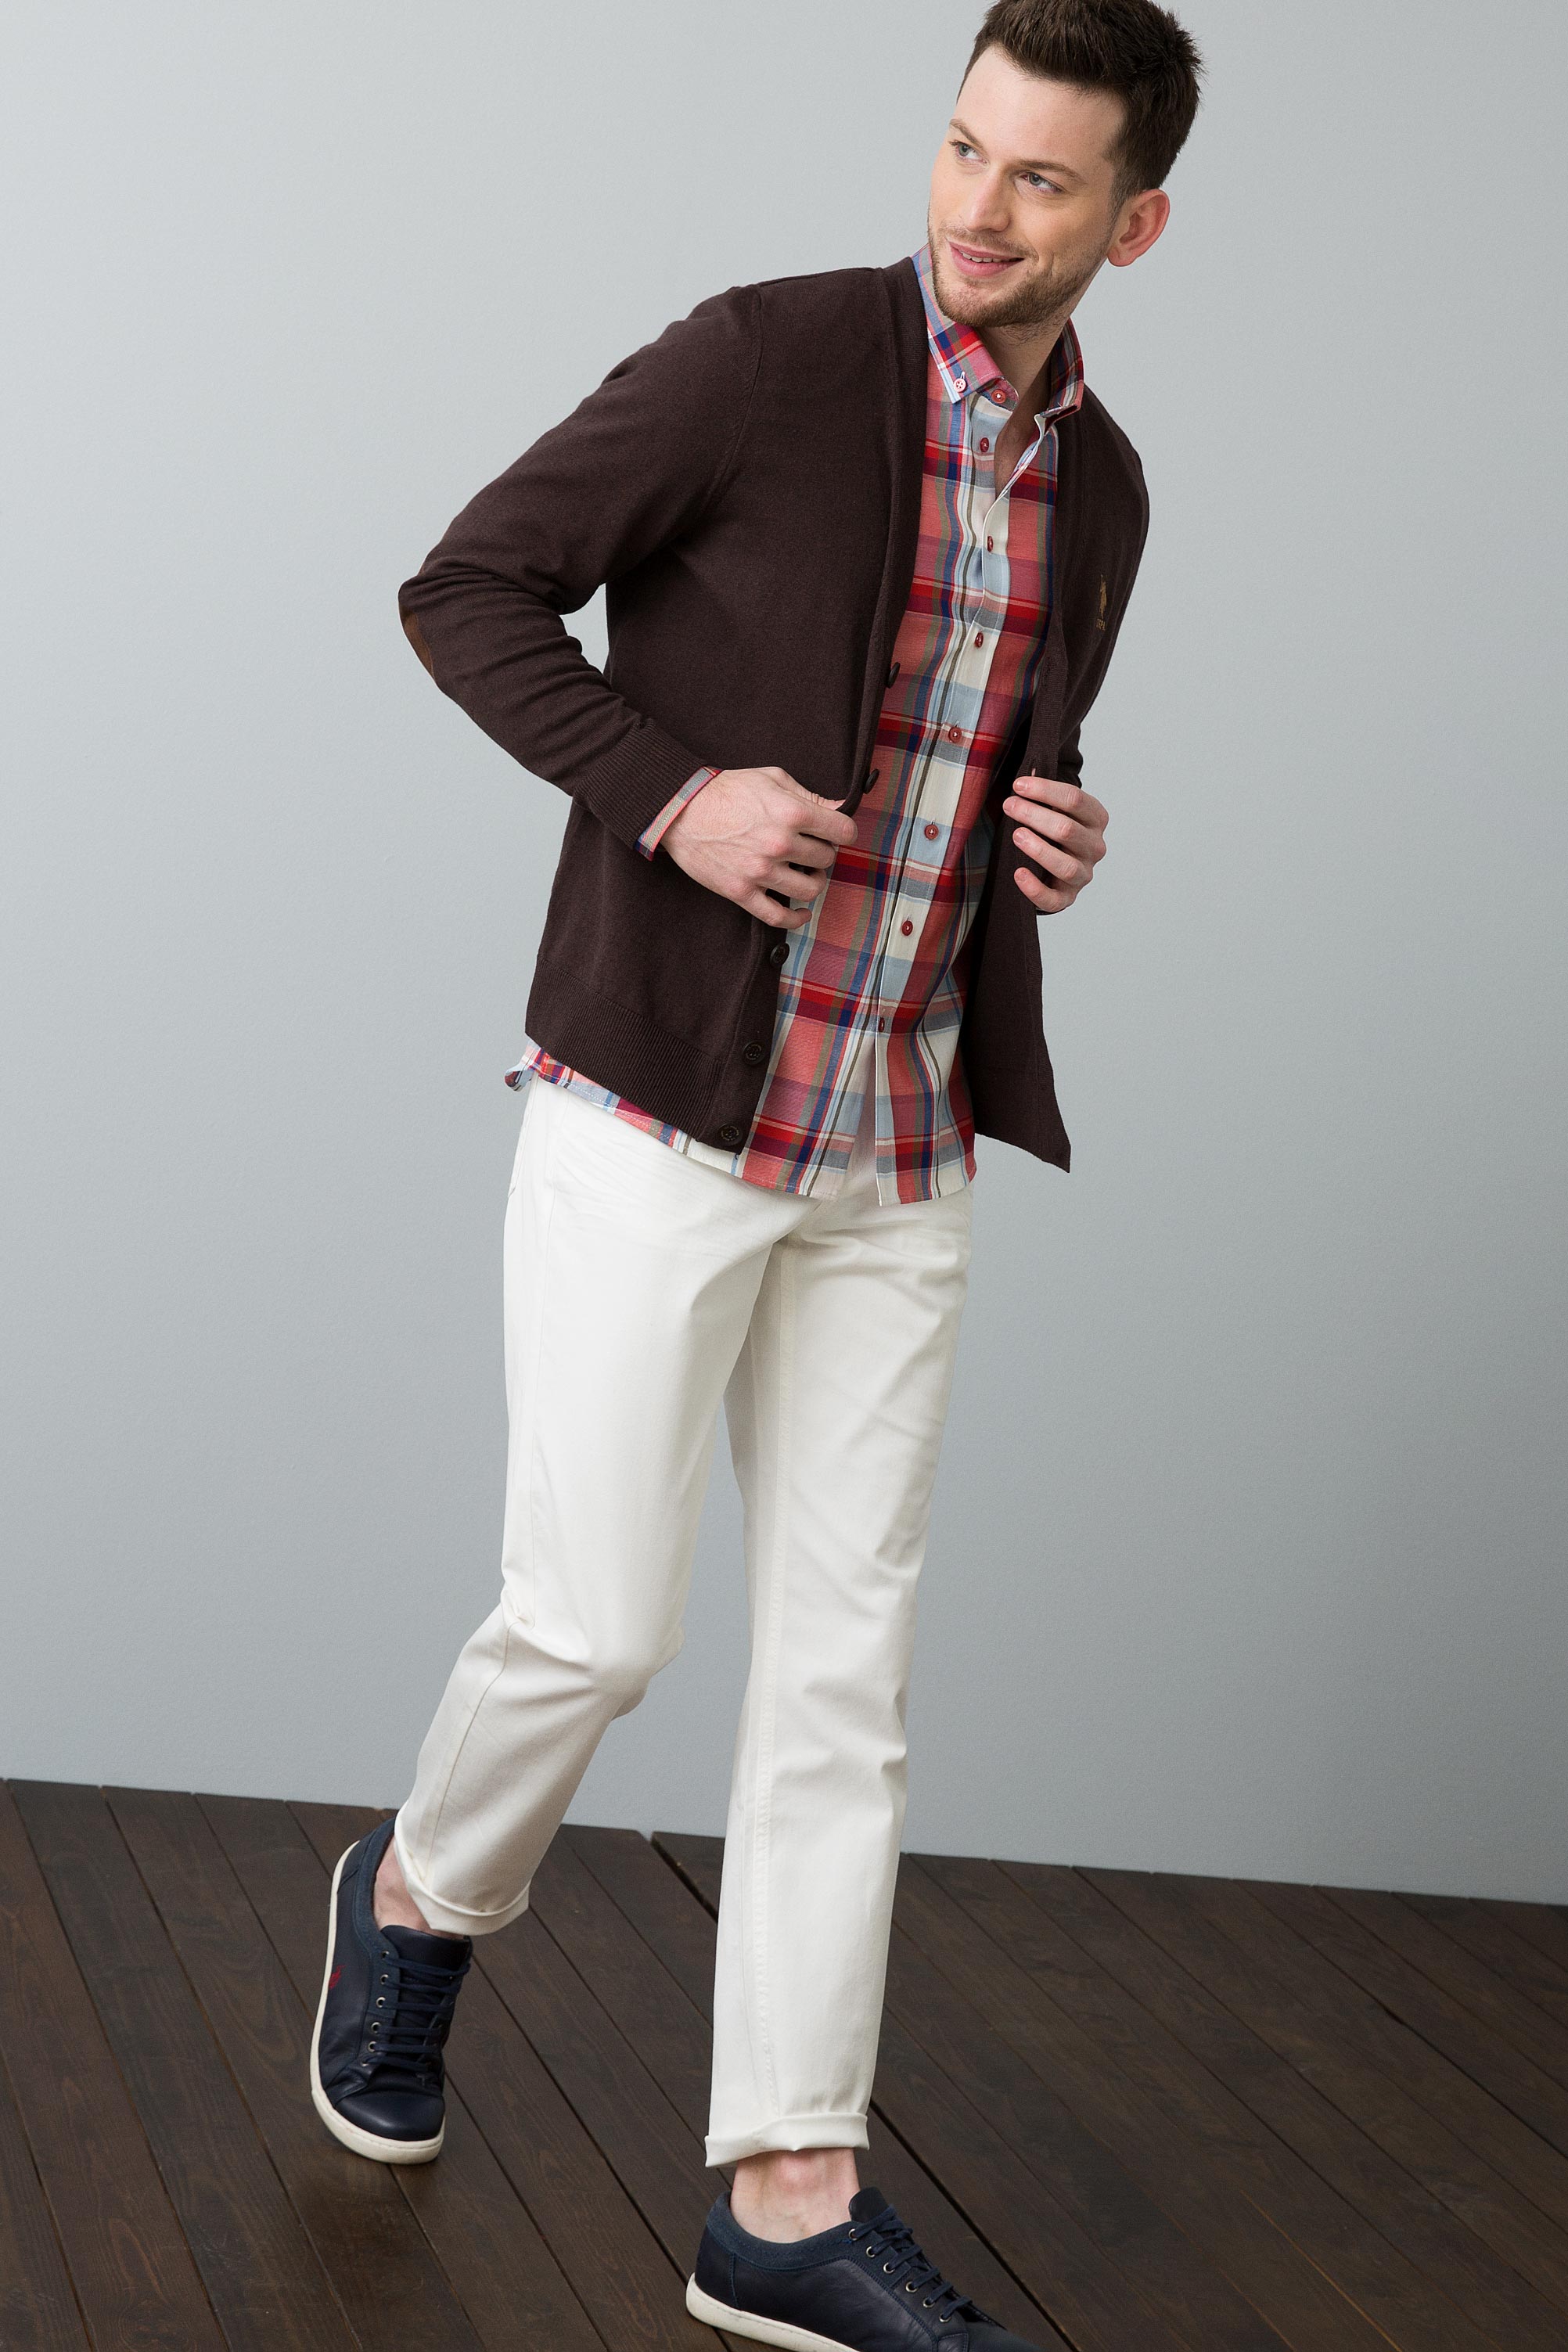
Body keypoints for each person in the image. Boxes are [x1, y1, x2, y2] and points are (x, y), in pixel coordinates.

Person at [309, 1, 1201, 2341]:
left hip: (899, 1140)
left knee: (841, 1681)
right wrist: (672, 792)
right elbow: (466, 588)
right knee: (596, 1625)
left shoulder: (1103, 491)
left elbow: (966, 756)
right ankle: (412, 1897)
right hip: (661, 1108)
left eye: (1040, 179)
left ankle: (784, 2197)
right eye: (964, 146)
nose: (978, 209)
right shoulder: (765, 361)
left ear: (1133, 225)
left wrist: (1047, 836)